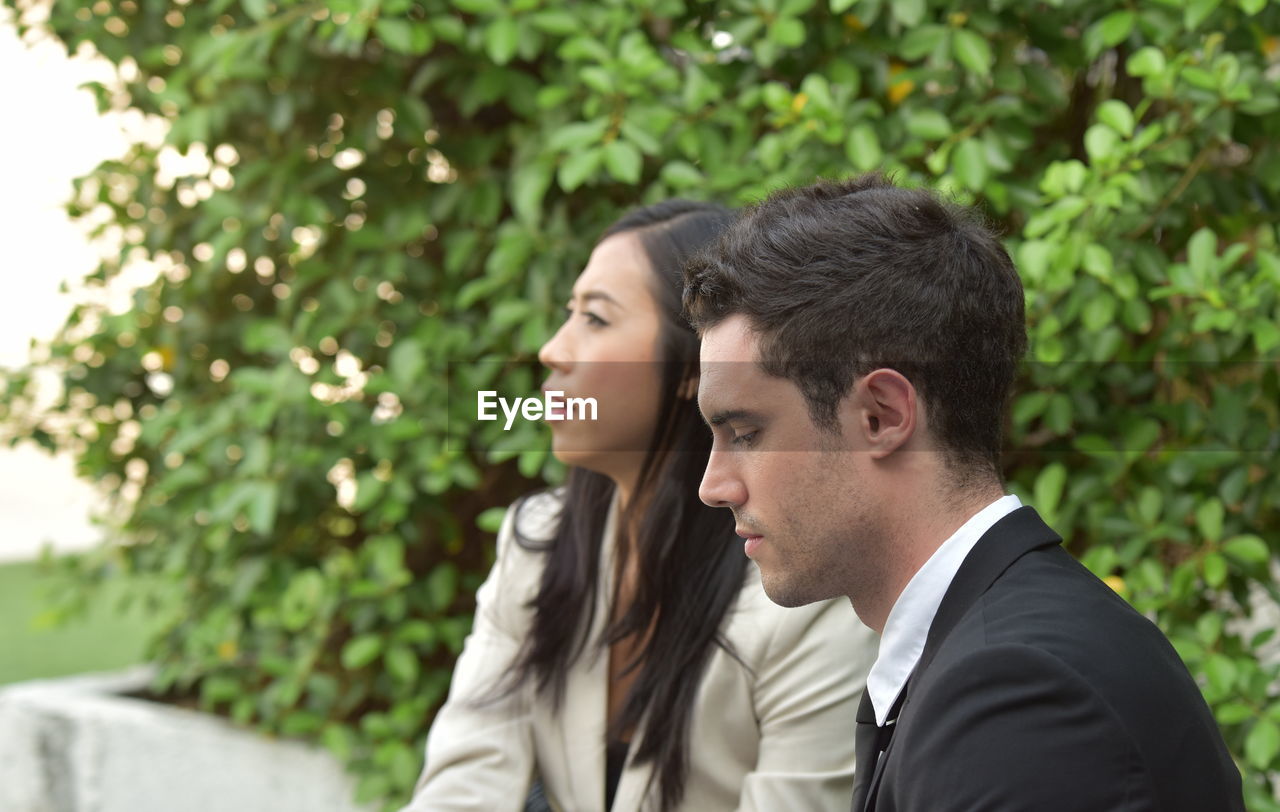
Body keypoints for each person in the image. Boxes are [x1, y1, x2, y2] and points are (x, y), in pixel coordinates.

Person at [682, 174, 1245, 812]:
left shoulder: (1017, 695)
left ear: (882, 416)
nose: (713, 486)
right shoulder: (990, 653)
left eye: (747, 432)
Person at [405, 200, 878, 812]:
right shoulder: (539, 543)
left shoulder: (805, 601)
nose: (553, 349)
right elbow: (464, 782)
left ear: (696, 364)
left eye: (596, 320)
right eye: (567, 314)